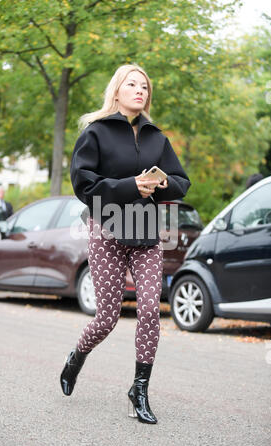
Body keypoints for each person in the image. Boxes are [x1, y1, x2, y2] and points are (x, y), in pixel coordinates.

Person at [60, 64, 191, 424]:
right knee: (107, 318)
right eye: (132, 84)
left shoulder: (156, 138)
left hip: (146, 234)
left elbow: (182, 181)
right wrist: (131, 185)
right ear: (116, 91)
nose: (140, 90)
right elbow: (83, 184)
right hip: (107, 231)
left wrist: (162, 184)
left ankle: (139, 390)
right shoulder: (96, 133)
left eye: (145, 86)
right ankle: (77, 356)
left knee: (150, 310)